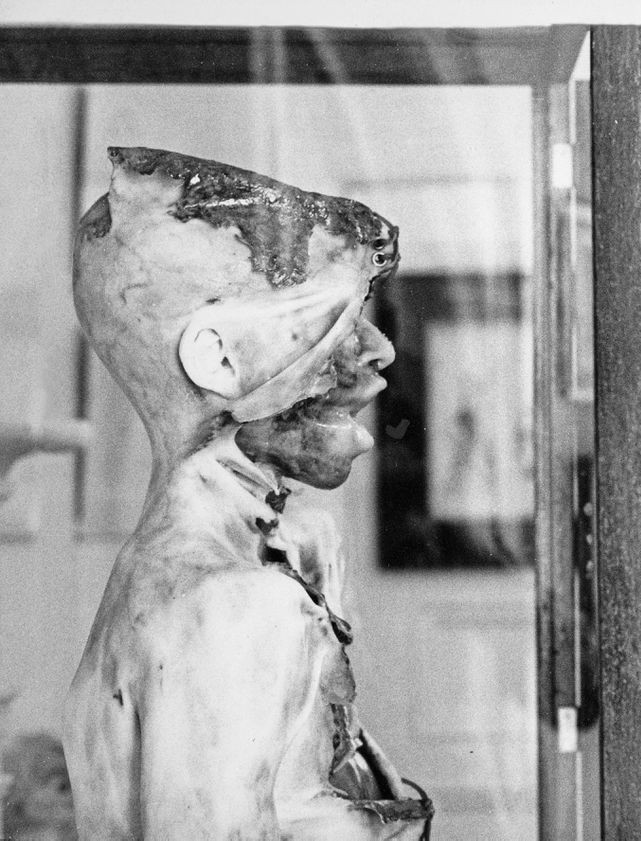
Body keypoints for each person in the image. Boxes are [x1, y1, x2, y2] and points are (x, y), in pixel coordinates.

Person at [64, 147, 431, 839]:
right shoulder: (234, 604)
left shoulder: (172, 576)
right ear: (221, 359)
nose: (379, 351)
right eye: (340, 318)